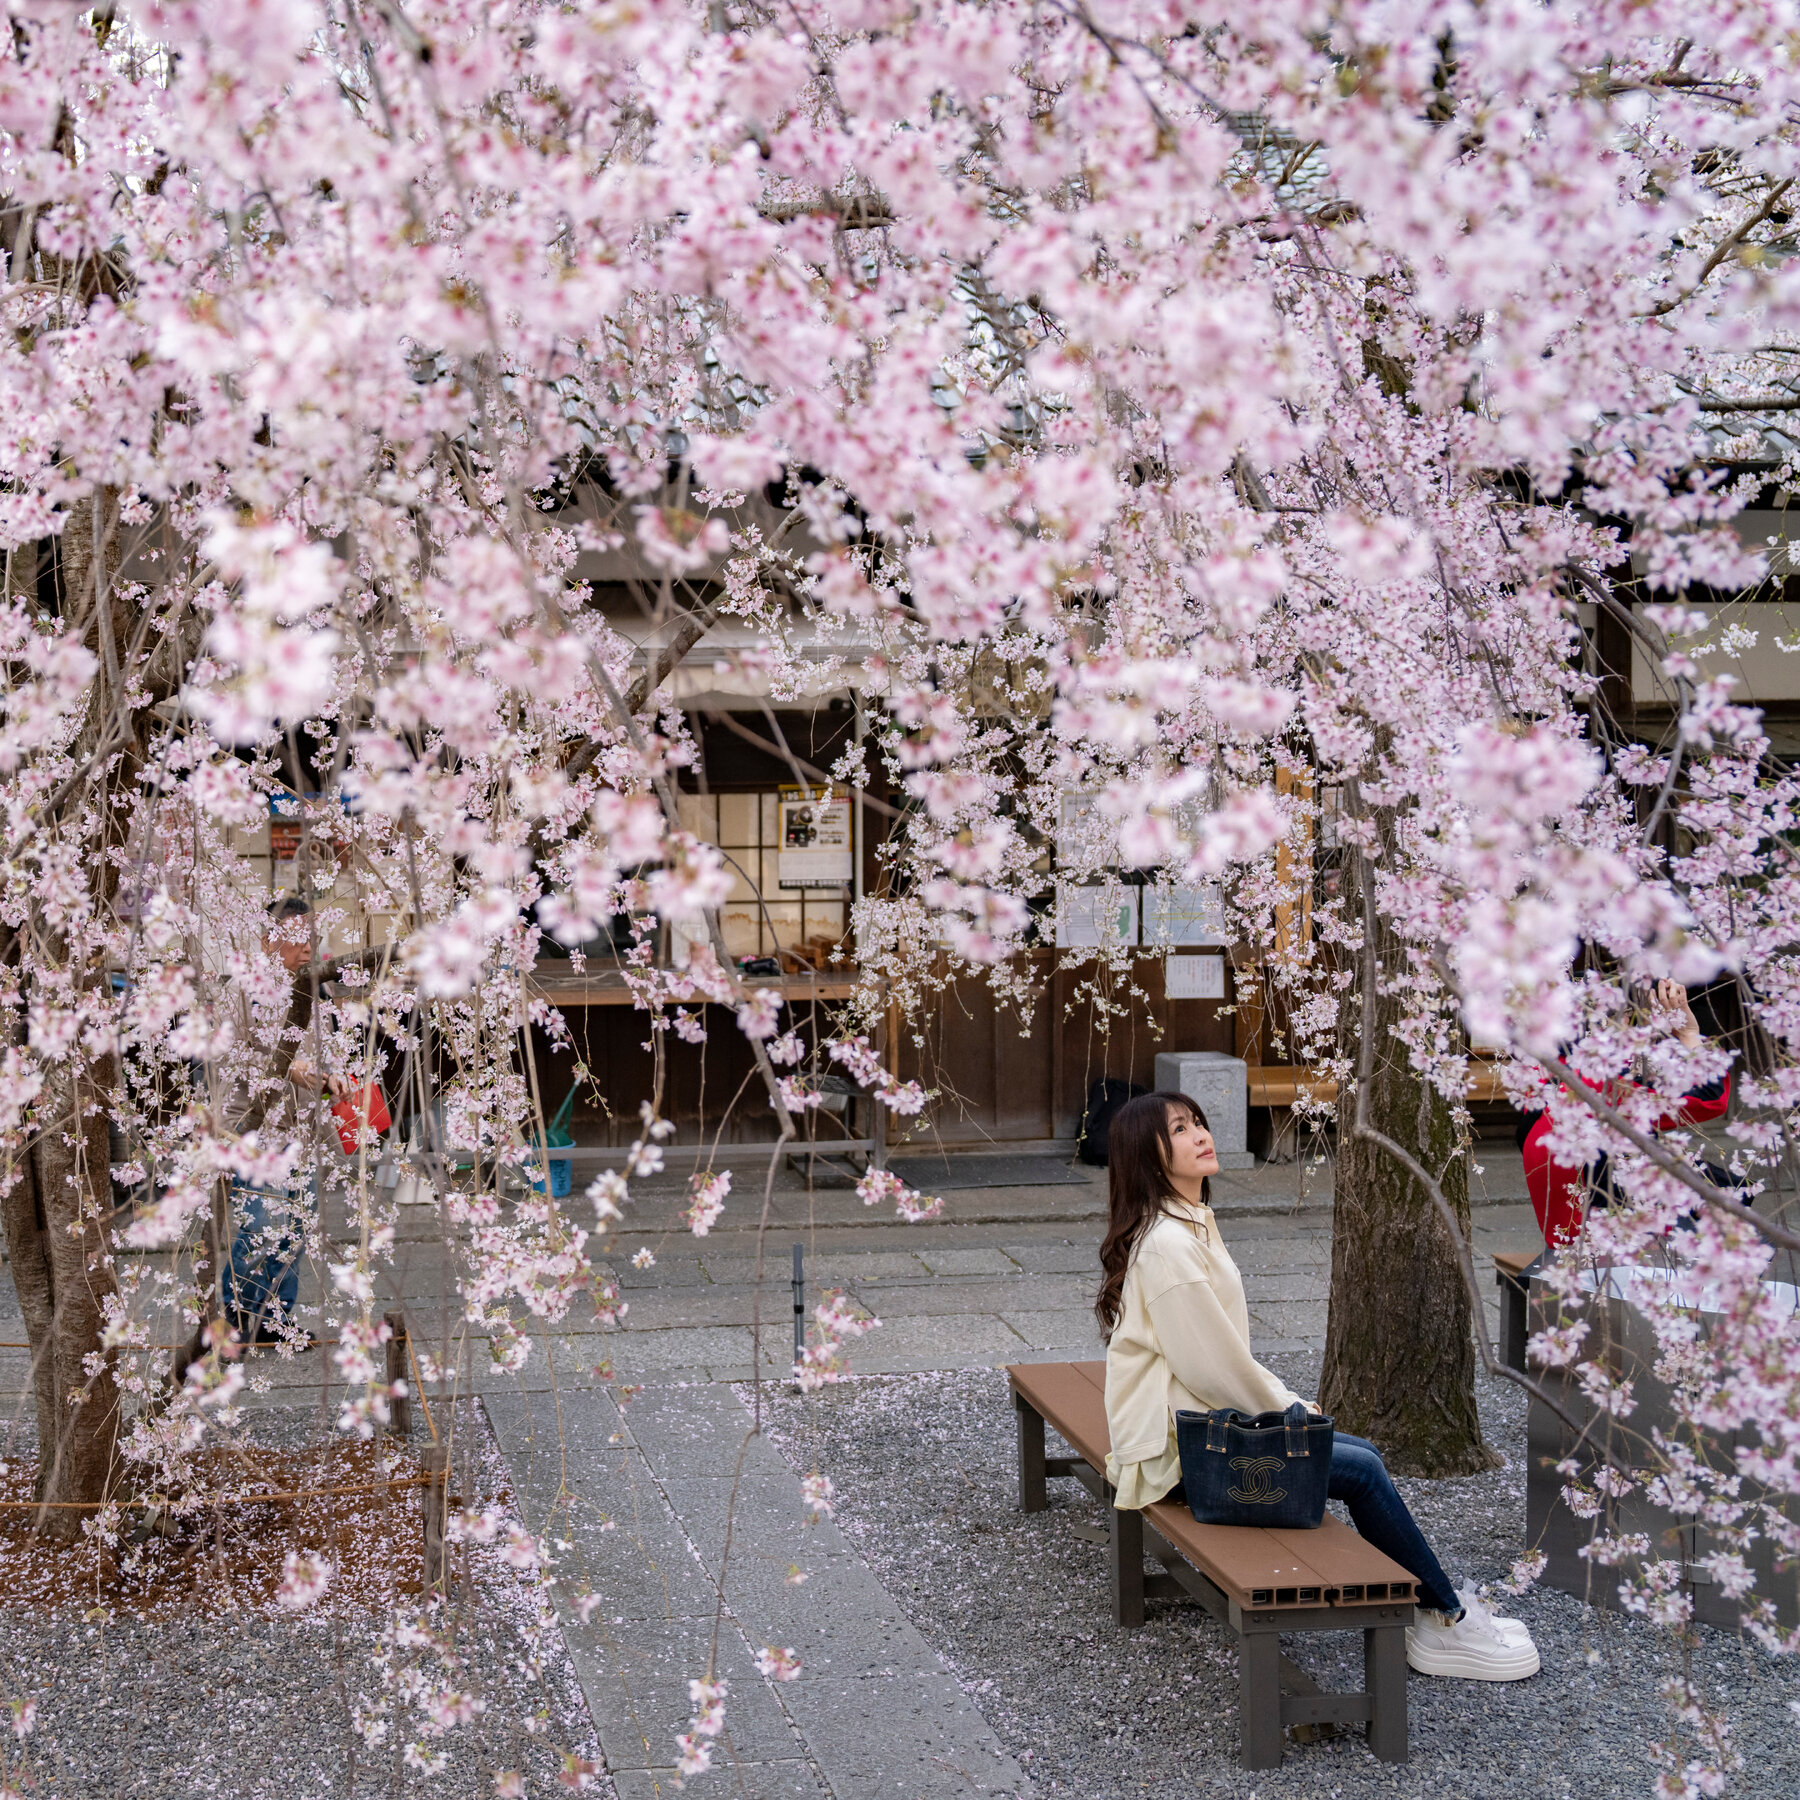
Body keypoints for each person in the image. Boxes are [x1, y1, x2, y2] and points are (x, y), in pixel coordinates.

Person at [1097, 1090, 1540, 1681]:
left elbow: (1220, 1358)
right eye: (1180, 1129)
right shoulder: (1169, 1245)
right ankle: (1445, 1620)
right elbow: (1213, 1367)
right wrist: (1290, 1410)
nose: (1200, 1133)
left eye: (1198, 1121)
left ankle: (1425, 1613)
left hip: (1196, 1428)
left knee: (1366, 1456)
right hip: (1178, 1452)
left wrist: (1289, 1405)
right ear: (1148, 1156)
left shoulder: (1189, 1223)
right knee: (1362, 1471)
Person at [217, 894, 351, 1346]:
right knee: (261, 1224)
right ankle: (237, 1318)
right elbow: (228, 1054)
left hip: (302, 1126)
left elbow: (328, 1051)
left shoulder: (316, 989)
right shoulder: (242, 989)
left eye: (313, 938)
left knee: (295, 1226)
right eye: (298, 938)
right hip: (254, 1123)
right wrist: (282, 1066)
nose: (308, 948)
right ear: (269, 941)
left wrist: (337, 1076)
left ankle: (276, 1320)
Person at [1521, 978, 1730, 1249]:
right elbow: (1711, 1099)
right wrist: (1689, 1035)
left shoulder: (1542, 1077)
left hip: (1567, 1240)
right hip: (1621, 1247)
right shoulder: (1607, 1086)